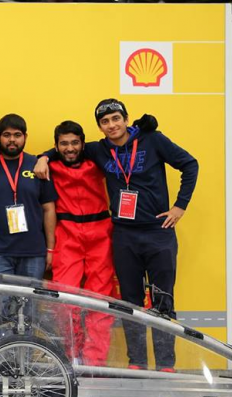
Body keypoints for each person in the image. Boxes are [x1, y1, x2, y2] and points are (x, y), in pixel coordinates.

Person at [34, 100, 198, 371]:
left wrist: (180, 206)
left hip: (158, 233)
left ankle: (166, 364)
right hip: (123, 234)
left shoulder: (153, 140)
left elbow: (189, 165)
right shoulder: (100, 150)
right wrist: (43, 156)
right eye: (105, 122)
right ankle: (137, 362)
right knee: (128, 301)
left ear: (125, 119)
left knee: (162, 300)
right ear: (99, 127)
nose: (111, 125)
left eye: (115, 119)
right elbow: (66, 148)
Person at [48, 121, 116, 367]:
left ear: (83, 143)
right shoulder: (50, 165)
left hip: (100, 232)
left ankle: (95, 364)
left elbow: (118, 146)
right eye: (64, 143)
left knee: (101, 301)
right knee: (65, 300)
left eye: (75, 142)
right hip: (67, 233)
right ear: (56, 146)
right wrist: (44, 158)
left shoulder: (97, 161)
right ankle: (71, 359)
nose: (70, 148)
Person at [0, 114, 57, 322]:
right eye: (7, 135)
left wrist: (50, 249)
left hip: (32, 252)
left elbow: (49, 209)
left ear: (25, 136)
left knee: (29, 314)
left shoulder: (38, 166)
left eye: (17, 135)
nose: (12, 140)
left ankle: (25, 356)